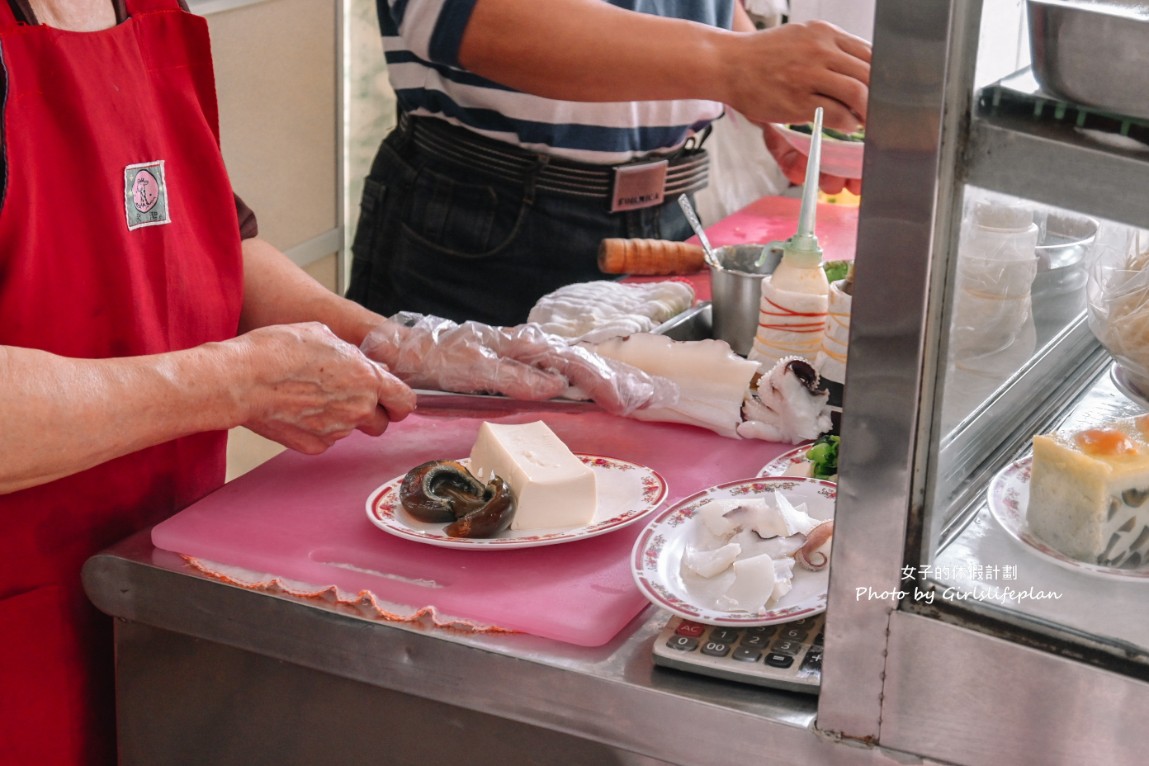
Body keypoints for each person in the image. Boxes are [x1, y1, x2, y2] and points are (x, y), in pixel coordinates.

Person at [0, 2, 671, 763]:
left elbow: (210, 239)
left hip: (150, 579)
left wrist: (398, 342)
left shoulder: (151, 13)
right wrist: (229, 384)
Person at [346, 0, 871, 327]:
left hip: (671, 215)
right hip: (486, 229)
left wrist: (772, 102)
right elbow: (456, 14)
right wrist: (736, 65)